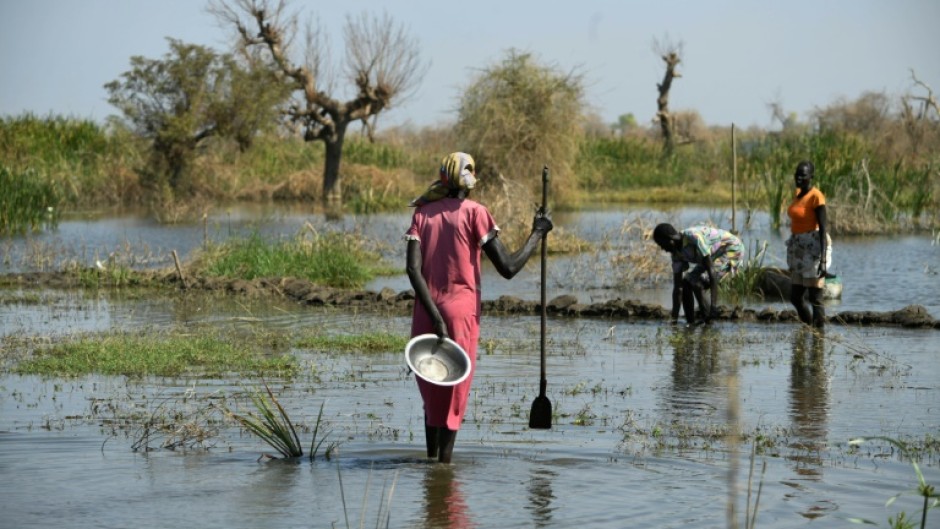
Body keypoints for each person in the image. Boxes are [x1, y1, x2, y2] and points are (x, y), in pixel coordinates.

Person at [405, 152, 552, 463]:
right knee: (453, 400)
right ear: (470, 182)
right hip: (459, 316)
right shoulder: (475, 213)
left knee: (432, 400)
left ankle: (431, 467)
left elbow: (412, 270)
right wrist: (537, 233)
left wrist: (432, 314)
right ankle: (443, 473)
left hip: (424, 316)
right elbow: (509, 268)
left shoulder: (423, 214)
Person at [652, 223, 744, 326]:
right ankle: (690, 323)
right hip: (714, 255)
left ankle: (709, 321)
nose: (662, 248)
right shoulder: (676, 255)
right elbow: (678, 288)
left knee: (697, 282)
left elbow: (711, 271)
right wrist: (674, 320)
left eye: (661, 244)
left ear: (670, 240)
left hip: (731, 249)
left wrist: (713, 305)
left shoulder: (693, 237)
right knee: (687, 282)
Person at [786, 160, 830, 328]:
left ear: (811, 177)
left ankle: (819, 335)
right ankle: (809, 326)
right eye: (797, 174)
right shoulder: (798, 193)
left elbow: (823, 228)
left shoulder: (816, 196)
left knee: (815, 297)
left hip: (813, 247)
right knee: (795, 297)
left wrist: (823, 261)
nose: (799, 178)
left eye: (803, 175)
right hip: (798, 247)